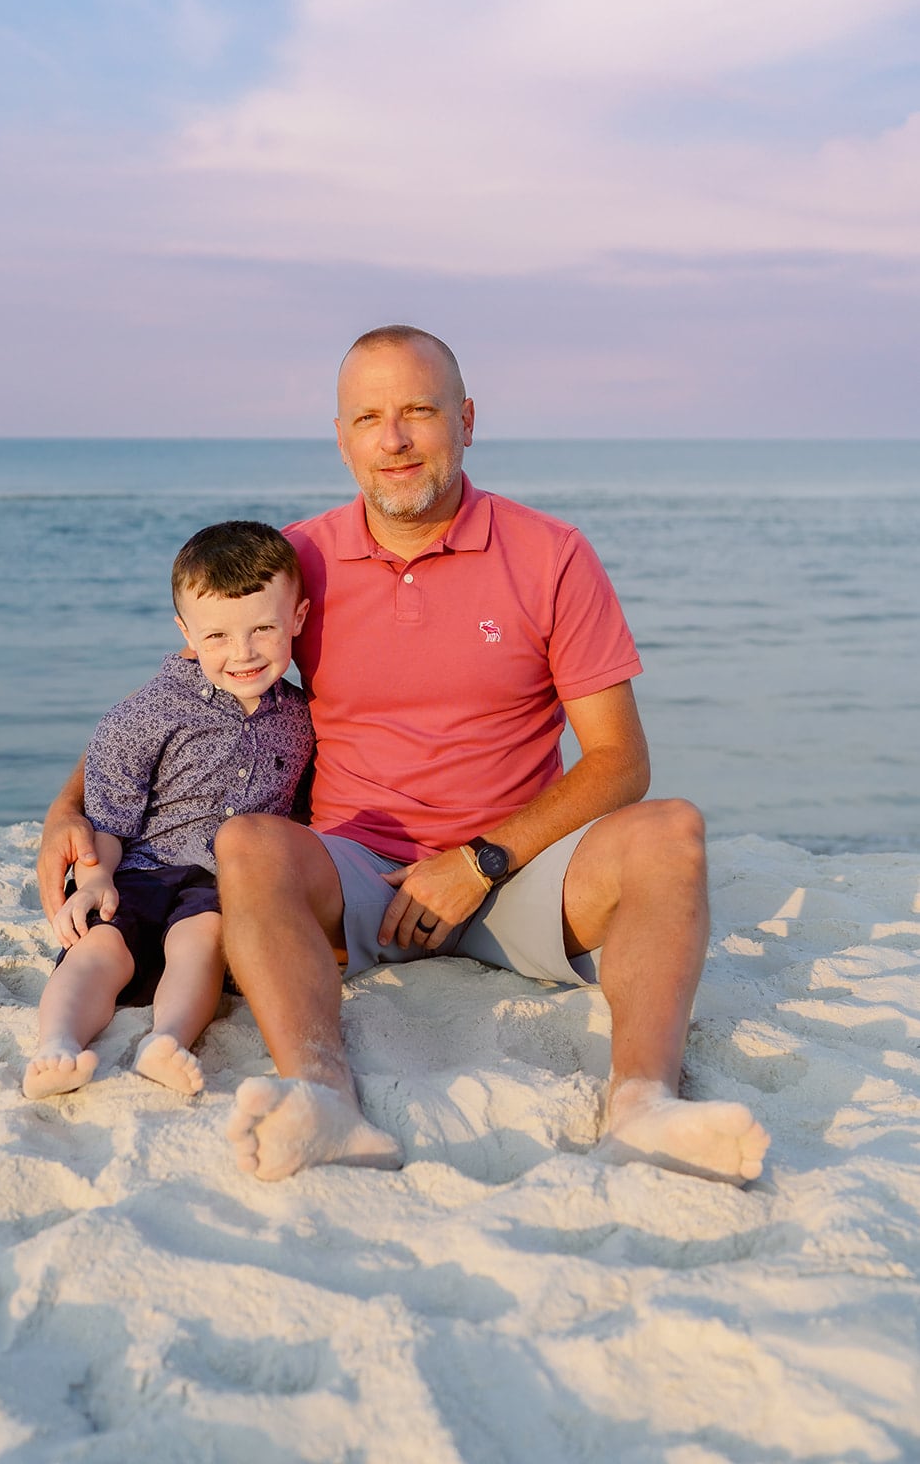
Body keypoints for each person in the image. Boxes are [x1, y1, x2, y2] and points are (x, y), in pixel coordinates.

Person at [38, 328, 769, 1187]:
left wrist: (479, 859)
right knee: (247, 844)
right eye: (369, 417)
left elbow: (619, 761)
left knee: (670, 829)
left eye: (418, 412)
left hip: (517, 869)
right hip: (353, 873)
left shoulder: (551, 554)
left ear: (463, 420)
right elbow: (177, 697)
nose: (394, 440)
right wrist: (65, 813)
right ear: (341, 436)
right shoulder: (295, 559)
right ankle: (324, 1101)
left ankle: (645, 1104)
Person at [24, 520, 314, 1102]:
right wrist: (94, 880)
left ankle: (168, 1040)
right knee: (97, 948)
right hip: (140, 870)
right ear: (186, 631)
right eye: (218, 638)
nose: (244, 654)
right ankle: (56, 1044)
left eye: (264, 629)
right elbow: (109, 817)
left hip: (216, 886)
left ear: (298, 621)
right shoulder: (148, 713)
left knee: (201, 940)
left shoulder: (301, 717)